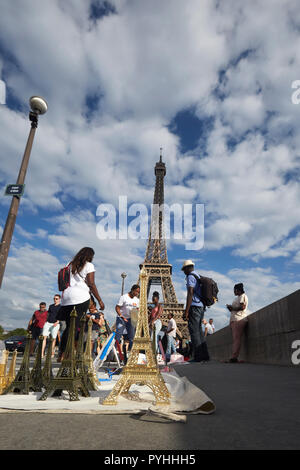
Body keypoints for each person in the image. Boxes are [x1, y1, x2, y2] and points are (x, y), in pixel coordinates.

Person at [58, 247, 105, 358]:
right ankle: (68, 354)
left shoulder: (70, 264)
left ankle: (62, 352)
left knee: (69, 326)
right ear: (90, 256)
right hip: (80, 297)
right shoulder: (89, 265)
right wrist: (100, 300)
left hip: (66, 297)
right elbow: (91, 284)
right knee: (76, 325)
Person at [181, 259, 209, 362]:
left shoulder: (190, 276)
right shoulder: (198, 276)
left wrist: (186, 311)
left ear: (188, 268)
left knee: (194, 332)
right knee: (199, 332)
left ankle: (198, 356)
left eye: (184, 269)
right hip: (201, 306)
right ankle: (205, 355)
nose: (184, 272)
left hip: (194, 306)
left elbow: (190, 292)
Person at [226, 283, 248, 363]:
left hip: (239, 319)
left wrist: (232, 308)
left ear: (238, 290)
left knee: (237, 339)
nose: (234, 292)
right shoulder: (237, 298)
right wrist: (230, 308)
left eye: (234, 290)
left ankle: (234, 357)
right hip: (235, 320)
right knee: (236, 339)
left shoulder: (243, 296)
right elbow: (235, 309)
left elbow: (242, 307)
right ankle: (234, 356)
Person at [115, 284, 140, 351]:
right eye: (136, 291)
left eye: (138, 292)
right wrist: (121, 316)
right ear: (132, 290)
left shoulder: (137, 300)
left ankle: (131, 353)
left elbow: (137, 309)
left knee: (132, 337)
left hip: (130, 319)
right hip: (121, 319)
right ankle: (114, 351)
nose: (137, 293)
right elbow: (117, 307)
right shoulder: (124, 297)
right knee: (118, 335)